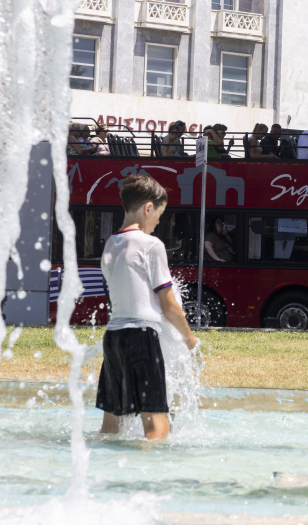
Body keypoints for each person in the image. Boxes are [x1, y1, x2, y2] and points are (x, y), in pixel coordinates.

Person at [97, 174, 198, 441]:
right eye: (159, 215)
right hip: (141, 338)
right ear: (148, 208)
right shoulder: (152, 245)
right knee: (156, 426)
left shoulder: (110, 244)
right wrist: (189, 338)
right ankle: (151, 478)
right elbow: (169, 305)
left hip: (113, 338)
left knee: (111, 426)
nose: (157, 223)